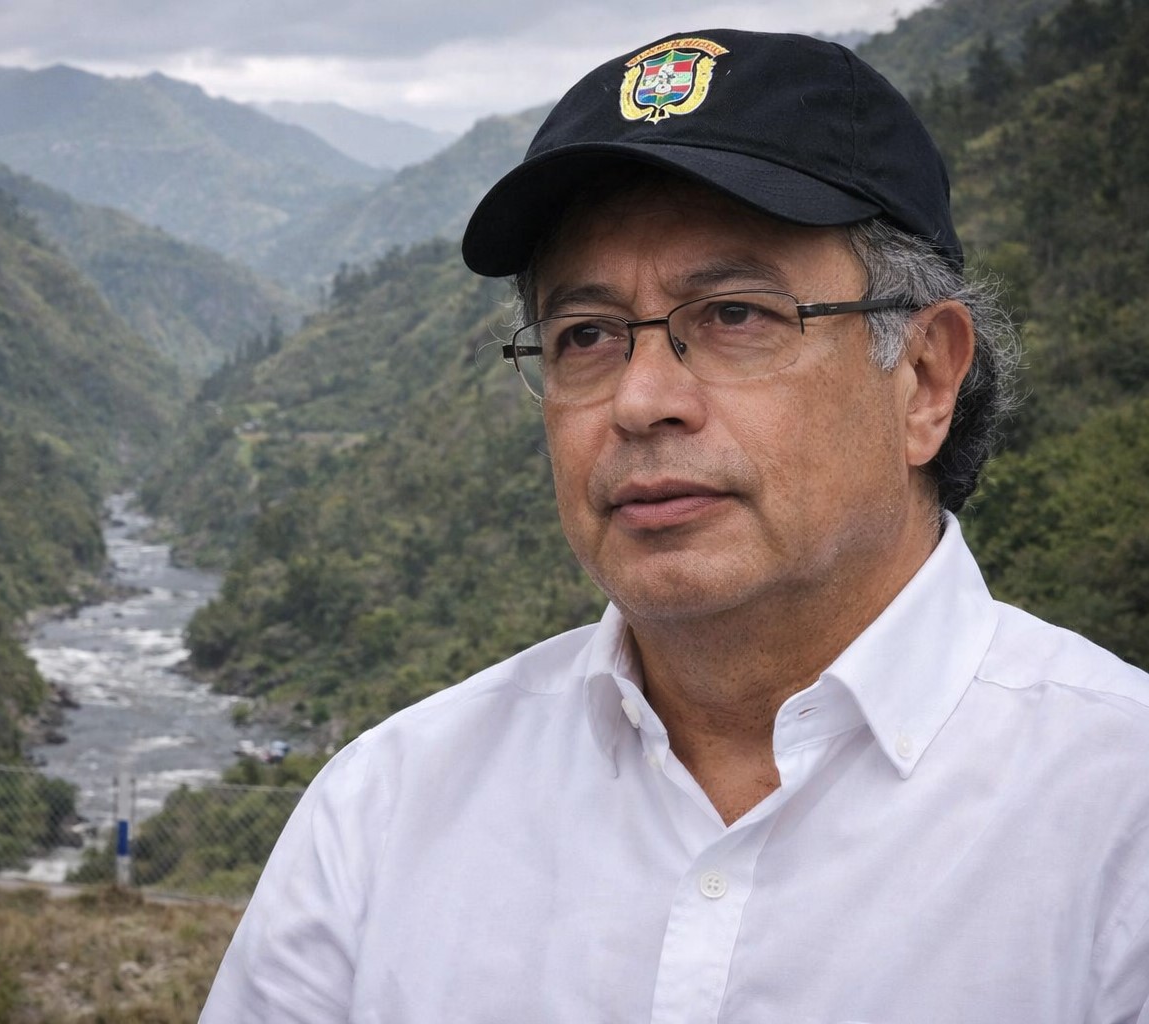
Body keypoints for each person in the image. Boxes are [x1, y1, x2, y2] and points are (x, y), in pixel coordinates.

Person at [200, 28, 1149, 1023]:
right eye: (587, 336)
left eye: (736, 314)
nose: (641, 398)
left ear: (924, 379)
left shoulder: (1115, 815)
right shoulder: (385, 814)